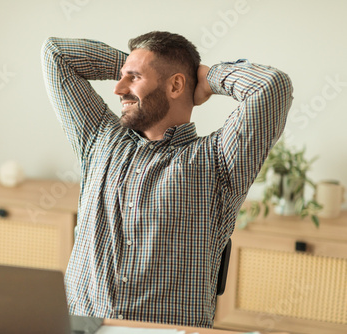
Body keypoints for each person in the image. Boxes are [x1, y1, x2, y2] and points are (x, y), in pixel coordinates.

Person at [41, 31, 293, 328]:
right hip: (82, 324)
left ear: (176, 85)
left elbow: (271, 86)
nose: (118, 89)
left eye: (133, 78)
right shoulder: (99, 137)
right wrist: (134, 66)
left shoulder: (219, 160)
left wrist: (207, 77)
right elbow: (56, 53)